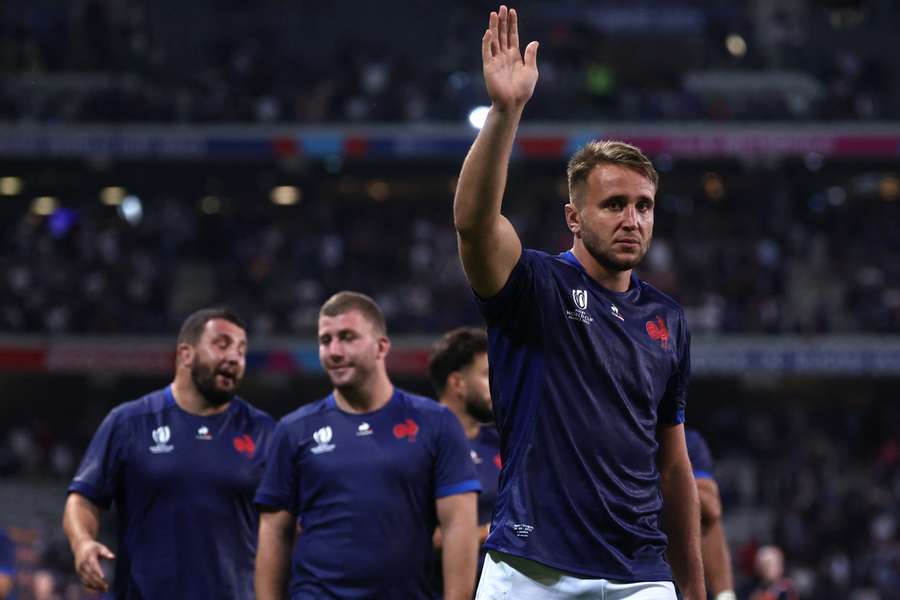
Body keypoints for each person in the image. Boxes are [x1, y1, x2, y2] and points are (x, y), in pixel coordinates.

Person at [453, 5, 704, 599]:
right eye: (613, 204)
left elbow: (673, 465)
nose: (632, 219)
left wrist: (696, 590)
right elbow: (472, 223)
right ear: (574, 216)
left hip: (638, 576)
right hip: (529, 568)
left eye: (643, 205)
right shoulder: (533, 287)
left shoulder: (668, 320)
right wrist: (505, 112)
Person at [254, 291, 480, 600]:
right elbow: (274, 532)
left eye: (347, 337)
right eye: (325, 340)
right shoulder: (294, 430)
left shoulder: (435, 423)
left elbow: (458, 526)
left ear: (381, 347)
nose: (334, 351)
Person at [63, 307, 274, 599]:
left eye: (241, 350)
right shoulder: (129, 422)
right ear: (185, 354)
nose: (234, 358)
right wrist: (82, 543)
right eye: (222, 345)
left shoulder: (264, 431)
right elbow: (83, 499)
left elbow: (289, 523)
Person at [428, 327, 501, 582]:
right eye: (486, 374)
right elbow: (404, 534)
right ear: (457, 383)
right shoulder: (420, 446)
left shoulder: (503, 444)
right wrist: (490, 532)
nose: (497, 382)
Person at [685, 428, 736, 600]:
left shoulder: (689, 442)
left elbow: (711, 507)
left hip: (672, 529)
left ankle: (725, 594)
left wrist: (676, 476)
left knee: (704, 517)